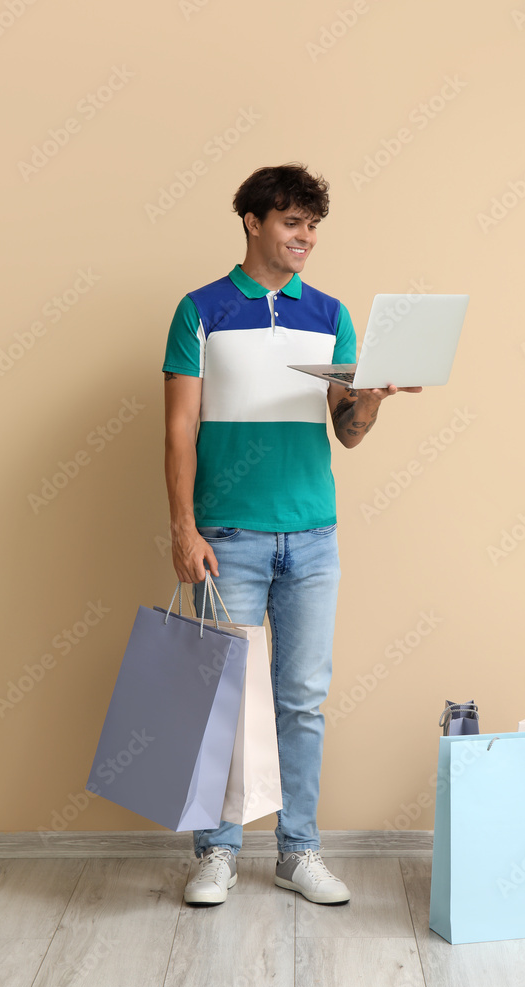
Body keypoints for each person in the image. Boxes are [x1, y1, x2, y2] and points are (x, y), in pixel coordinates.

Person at [162, 162, 422, 906]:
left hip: (312, 537)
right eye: (291, 222)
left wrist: (369, 401)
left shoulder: (331, 313)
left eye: (312, 225)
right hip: (228, 535)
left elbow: (348, 433)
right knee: (221, 701)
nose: (305, 236)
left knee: (301, 700)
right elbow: (179, 428)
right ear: (252, 222)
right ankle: (214, 853)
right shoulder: (200, 311)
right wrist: (182, 527)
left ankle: (297, 852)